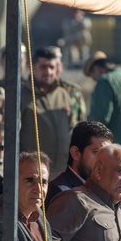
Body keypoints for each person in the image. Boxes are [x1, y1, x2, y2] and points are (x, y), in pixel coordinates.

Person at [20, 46, 86, 174]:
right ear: (33, 67)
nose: (48, 72)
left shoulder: (65, 94)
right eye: (43, 67)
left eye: (52, 67)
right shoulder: (21, 95)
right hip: (33, 172)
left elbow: (75, 129)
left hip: (63, 171)